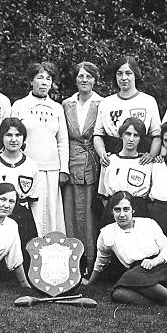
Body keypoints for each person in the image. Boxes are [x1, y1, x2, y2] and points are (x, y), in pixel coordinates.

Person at [83, 191, 167, 313]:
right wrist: (90, 283)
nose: (122, 214)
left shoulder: (148, 223)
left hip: (161, 268)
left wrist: (154, 262)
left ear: (133, 210)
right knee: (118, 293)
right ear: (111, 211)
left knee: (128, 277)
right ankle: (166, 302)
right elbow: (101, 261)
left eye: (126, 209)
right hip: (136, 272)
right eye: (117, 210)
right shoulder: (107, 233)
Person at [12, 62, 69, 236]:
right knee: (32, 213)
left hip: (52, 169)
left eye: (48, 78)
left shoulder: (57, 108)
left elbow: (62, 141)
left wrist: (64, 169)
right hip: (28, 169)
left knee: (51, 213)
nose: (44, 82)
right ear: (31, 81)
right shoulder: (19, 106)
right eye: (39, 77)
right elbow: (11, 137)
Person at [62, 61, 103, 274]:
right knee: (71, 212)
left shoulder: (102, 103)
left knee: (88, 212)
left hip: (92, 162)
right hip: (71, 162)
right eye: (80, 76)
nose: (84, 80)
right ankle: (73, 259)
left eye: (88, 76)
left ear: (95, 80)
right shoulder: (66, 104)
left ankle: (91, 260)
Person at [0, 118, 40, 259]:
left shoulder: (31, 165)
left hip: (22, 216)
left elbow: (33, 200)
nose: (13, 139)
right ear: (1, 137)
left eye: (18, 135)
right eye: (9, 135)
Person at [93, 55, 161, 165]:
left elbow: (157, 135)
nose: (124, 78)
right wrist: (103, 155)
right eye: (119, 74)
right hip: (112, 159)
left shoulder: (148, 101)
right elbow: (97, 135)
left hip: (141, 159)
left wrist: (151, 155)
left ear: (135, 75)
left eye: (128, 73)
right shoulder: (106, 103)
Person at [97, 118, 152, 225]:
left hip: (139, 211)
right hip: (114, 211)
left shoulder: (147, 163)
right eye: (128, 134)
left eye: (136, 135)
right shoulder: (109, 160)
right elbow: (103, 194)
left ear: (141, 139)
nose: (131, 139)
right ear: (121, 135)